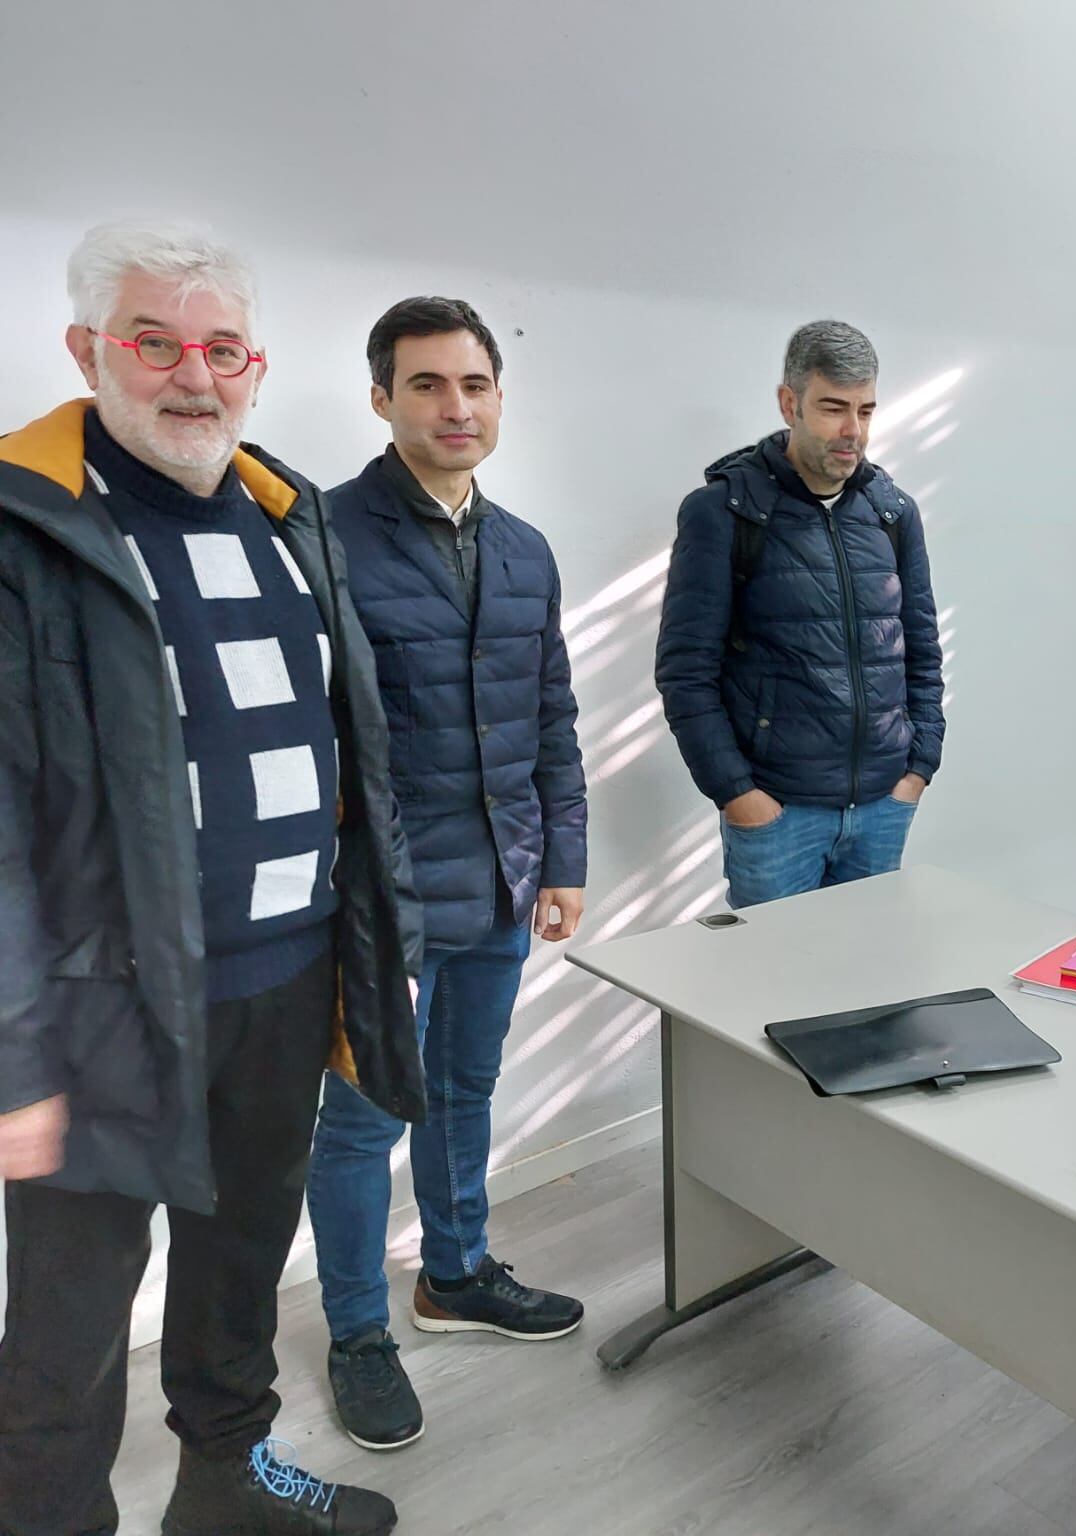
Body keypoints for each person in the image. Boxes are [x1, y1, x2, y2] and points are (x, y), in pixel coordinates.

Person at [0, 222, 419, 1535]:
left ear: (256, 363)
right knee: (69, 1327)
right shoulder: (24, 533)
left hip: (286, 979)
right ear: (87, 352)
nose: (193, 375)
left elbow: (347, 748)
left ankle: (226, 1485)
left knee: (241, 1262)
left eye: (221, 347)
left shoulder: (289, 516)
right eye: (153, 341)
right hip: (95, 1012)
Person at [306, 297, 589, 1452]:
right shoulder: (319, 537)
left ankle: (457, 1273)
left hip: (501, 879)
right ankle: (358, 1332)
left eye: (473, 385)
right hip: (373, 895)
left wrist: (563, 856)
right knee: (363, 1119)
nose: (455, 406)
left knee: (467, 1089)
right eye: (426, 385)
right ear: (381, 398)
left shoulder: (524, 548)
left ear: (497, 400)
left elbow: (553, 716)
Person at [654, 320, 944, 906]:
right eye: (834, 408)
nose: (852, 431)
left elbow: (920, 648)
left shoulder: (892, 513)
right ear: (789, 403)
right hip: (778, 814)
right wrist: (739, 795)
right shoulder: (725, 512)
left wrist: (918, 769)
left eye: (865, 411)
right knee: (770, 990)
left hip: (884, 806)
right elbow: (685, 673)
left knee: (865, 983)